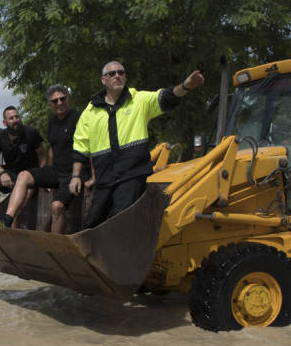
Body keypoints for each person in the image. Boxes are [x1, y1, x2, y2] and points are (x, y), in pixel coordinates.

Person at [71, 61, 205, 228]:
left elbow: (167, 97)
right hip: (105, 178)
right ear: (103, 80)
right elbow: (80, 147)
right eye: (112, 74)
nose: (117, 75)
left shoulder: (139, 100)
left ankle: (120, 253)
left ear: (125, 77)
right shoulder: (90, 112)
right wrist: (76, 176)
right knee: (92, 223)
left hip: (132, 176)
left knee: (120, 220)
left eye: (121, 72)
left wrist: (186, 86)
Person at [0, 85, 87, 232]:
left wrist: (91, 176)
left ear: (68, 99)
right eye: (55, 101)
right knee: (24, 175)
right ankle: (7, 220)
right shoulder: (52, 121)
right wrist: (47, 174)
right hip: (57, 170)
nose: (59, 103)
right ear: (50, 104)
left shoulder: (79, 118)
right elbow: (51, 149)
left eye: (62, 99)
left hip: (74, 173)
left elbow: (90, 147)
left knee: (56, 207)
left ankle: (53, 246)